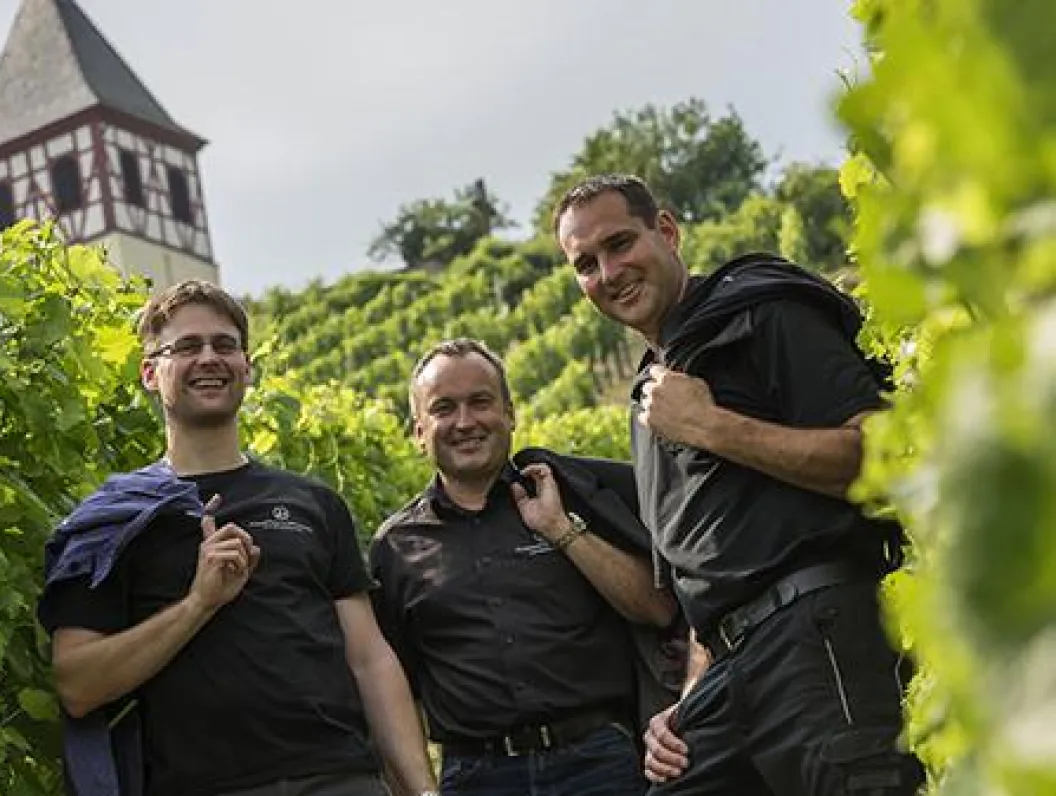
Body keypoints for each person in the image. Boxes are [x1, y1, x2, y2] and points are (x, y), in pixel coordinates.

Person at [553, 174, 926, 795]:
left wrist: (711, 425)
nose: (609, 271)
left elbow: (878, 457)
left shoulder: (762, 309)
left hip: (822, 634)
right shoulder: (648, 399)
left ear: (667, 231)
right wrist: (688, 701)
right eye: (585, 264)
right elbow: (709, 574)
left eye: (620, 244)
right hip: (732, 671)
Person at [38, 280, 437, 796]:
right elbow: (77, 685)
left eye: (225, 345)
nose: (210, 358)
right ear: (148, 373)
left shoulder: (313, 504)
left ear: (246, 368)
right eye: (186, 347)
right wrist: (198, 604)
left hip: (339, 780)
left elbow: (369, 659)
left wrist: (423, 789)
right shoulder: (111, 523)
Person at [369, 338, 680, 796]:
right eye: (444, 408)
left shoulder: (567, 495)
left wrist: (561, 530)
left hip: (599, 764)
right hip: (477, 778)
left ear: (510, 414)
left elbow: (657, 609)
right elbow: (394, 689)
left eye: (480, 402)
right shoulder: (395, 547)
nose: (465, 422)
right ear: (418, 431)